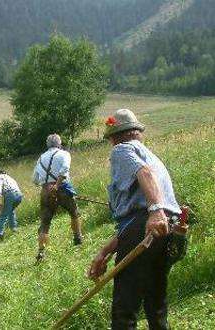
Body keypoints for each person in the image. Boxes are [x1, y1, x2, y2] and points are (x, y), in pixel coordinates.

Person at [87, 109, 181, 330]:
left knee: (125, 305)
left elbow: (144, 179)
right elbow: (138, 219)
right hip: (166, 227)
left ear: (113, 136)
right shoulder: (152, 156)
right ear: (137, 131)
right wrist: (106, 250)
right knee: (154, 297)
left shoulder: (121, 150)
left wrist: (156, 210)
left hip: (149, 223)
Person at [32, 134, 83, 262]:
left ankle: (41, 252)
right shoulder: (64, 154)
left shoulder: (41, 158)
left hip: (46, 191)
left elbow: (35, 179)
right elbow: (65, 169)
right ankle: (78, 239)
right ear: (59, 144)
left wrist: (47, 185)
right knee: (74, 213)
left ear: (47, 145)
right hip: (63, 188)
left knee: (45, 223)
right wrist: (57, 185)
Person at [0, 170, 23, 240]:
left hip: (10, 194)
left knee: (3, 216)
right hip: (19, 195)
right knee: (11, 211)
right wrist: (0, 205)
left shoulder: (0, 177)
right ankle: (14, 229)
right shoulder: (11, 178)